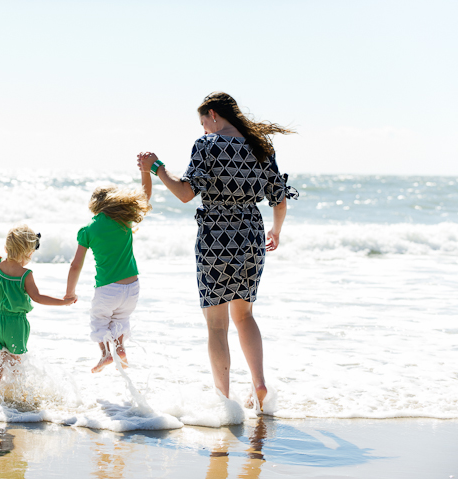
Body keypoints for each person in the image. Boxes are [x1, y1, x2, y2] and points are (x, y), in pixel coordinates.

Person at [137, 91, 298, 411]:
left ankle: (224, 401)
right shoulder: (260, 146)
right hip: (251, 236)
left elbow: (185, 193)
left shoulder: (206, 145)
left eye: (203, 123)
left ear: (212, 113)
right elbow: (279, 199)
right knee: (246, 315)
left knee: (217, 325)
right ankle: (259, 384)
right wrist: (276, 231)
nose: (204, 130)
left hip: (215, 238)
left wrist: (156, 167)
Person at [0, 199, 76, 383]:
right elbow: (37, 297)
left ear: (7, 247)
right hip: (16, 323)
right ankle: (19, 394)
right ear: (28, 253)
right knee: (16, 363)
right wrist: (63, 301)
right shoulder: (25, 274)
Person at [65, 170, 152, 373]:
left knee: (99, 321)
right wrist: (145, 172)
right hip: (132, 287)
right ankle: (120, 348)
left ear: (95, 204)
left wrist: (70, 292)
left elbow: (75, 265)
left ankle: (105, 353)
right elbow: (145, 195)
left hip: (107, 288)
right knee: (121, 320)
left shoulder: (88, 230)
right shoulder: (124, 220)